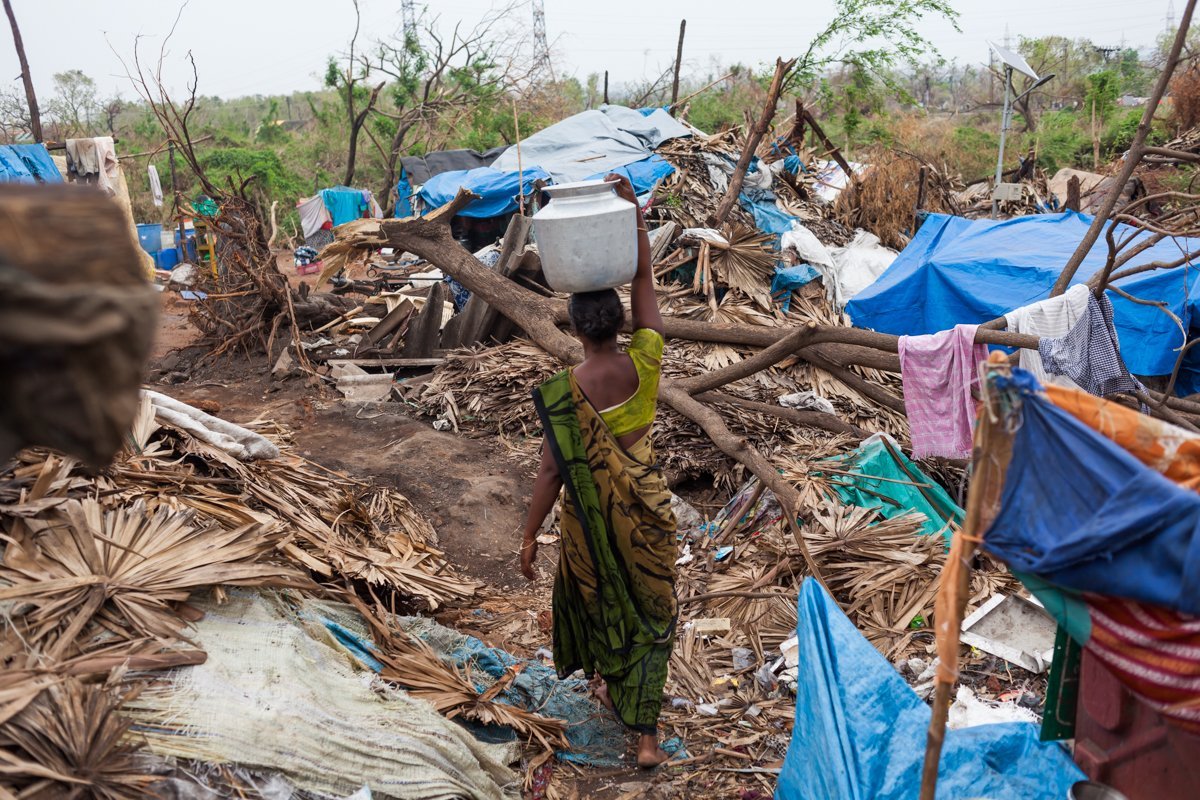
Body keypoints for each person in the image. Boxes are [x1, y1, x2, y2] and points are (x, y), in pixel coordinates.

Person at [519, 173, 676, 768]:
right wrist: (633, 211)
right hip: (649, 513)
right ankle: (647, 740)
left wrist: (531, 534)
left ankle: (613, 683)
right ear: (619, 324)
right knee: (652, 610)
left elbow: (550, 474)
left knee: (605, 599)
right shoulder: (647, 360)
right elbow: (643, 281)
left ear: (575, 328)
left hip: (591, 524)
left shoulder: (565, 392)